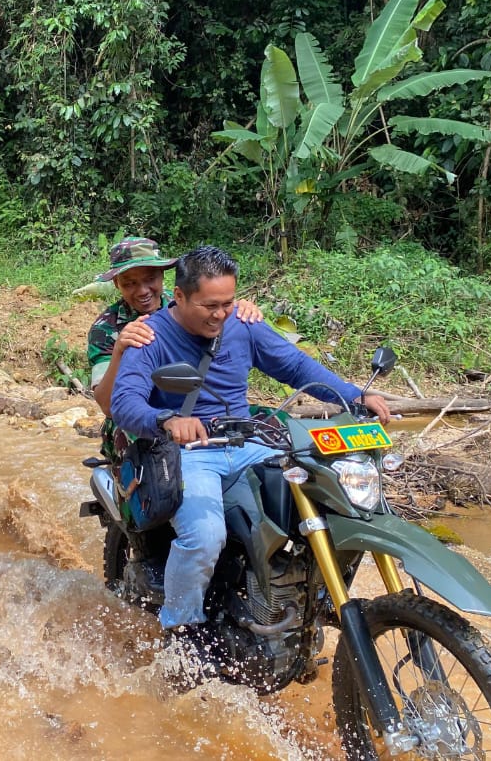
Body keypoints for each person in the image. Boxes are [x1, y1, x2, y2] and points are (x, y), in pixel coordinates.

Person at [109, 246, 391, 635]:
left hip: (247, 444)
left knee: (332, 495)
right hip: (189, 454)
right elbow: (124, 402)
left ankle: (311, 600)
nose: (220, 314)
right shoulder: (150, 336)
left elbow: (295, 365)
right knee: (204, 537)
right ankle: (180, 630)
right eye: (210, 305)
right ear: (179, 297)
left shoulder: (243, 324)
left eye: (228, 302)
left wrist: (354, 394)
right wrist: (168, 419)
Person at [87, 236, 262, 464]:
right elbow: (108, 406)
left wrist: (236, 311)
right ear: (116, 284)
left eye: (150, 279)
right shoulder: (106, 329)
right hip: (135, 418)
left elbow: (218, 313)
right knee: (153, 465)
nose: (142, 291)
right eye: (130, 283)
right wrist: (120, 350)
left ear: (162, 276)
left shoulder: (184, 304)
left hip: (195, 409)